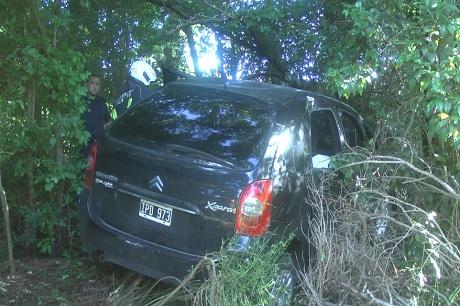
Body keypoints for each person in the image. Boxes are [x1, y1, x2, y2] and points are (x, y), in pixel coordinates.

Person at [81, 74, 111, 156]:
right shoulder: (80, 101)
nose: (95, 86)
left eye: (97, 84)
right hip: (82, 145)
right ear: (87, 84)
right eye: (92, 83)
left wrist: (102, 131)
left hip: (98, 147)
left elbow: (109, 121)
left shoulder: (102, 103)